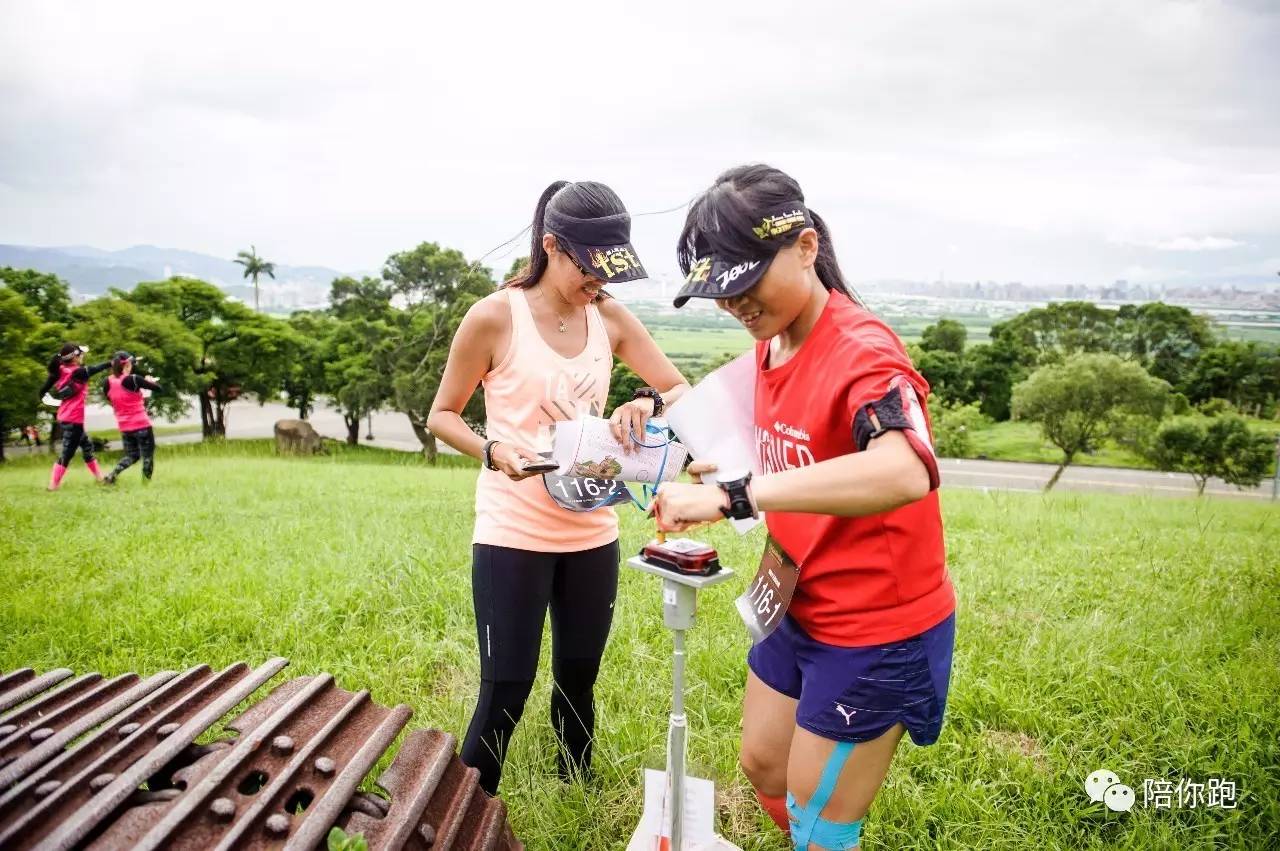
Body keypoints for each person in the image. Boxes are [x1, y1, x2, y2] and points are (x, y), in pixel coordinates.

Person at [652, 164, 955, 851]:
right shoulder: (773, 344)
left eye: (744, 282)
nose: (734, 304)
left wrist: (735, 495)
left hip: (875, 626)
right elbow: (780, 446)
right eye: (719, 292)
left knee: (817, 817)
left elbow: (904, 468)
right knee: (762, 762)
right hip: (796, 600)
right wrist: (706, 453)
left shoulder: (865, 351)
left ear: (806, 247)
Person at [427, 180, 691, 795]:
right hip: (512, 532)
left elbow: (678, 391)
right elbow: (442, 415)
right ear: (553, 246)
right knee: (506, 685)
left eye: (609, 272)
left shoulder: (612, 319)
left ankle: (577, 788)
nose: (599, 283)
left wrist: (645, 404)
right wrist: (493, 450)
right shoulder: (495, 316)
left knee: (579, 674)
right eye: (590, 269)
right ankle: (468, 812)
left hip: (592, 529)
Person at [39, 343, 111, 491]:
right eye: (81, 354)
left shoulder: (60, 370)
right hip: (73, 419)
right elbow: (96, 368)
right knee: (67, 453)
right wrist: (112, 362)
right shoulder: (78, 372)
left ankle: (100, 478)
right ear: (75, 357)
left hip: (66, 416)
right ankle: (53, 486)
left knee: (86, 446)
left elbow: (43, 390)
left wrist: (45, 397)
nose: (83, 356)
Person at [101, 351, 163, 484]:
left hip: (124, 426)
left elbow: (111, 399)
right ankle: (145, 484)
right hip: (141, 425)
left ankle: (112, 475)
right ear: (127, 364)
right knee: (147, 456)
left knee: (132, 456)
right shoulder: (134, 379)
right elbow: (159, 388)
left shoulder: (107, 382)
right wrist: (150, 381)